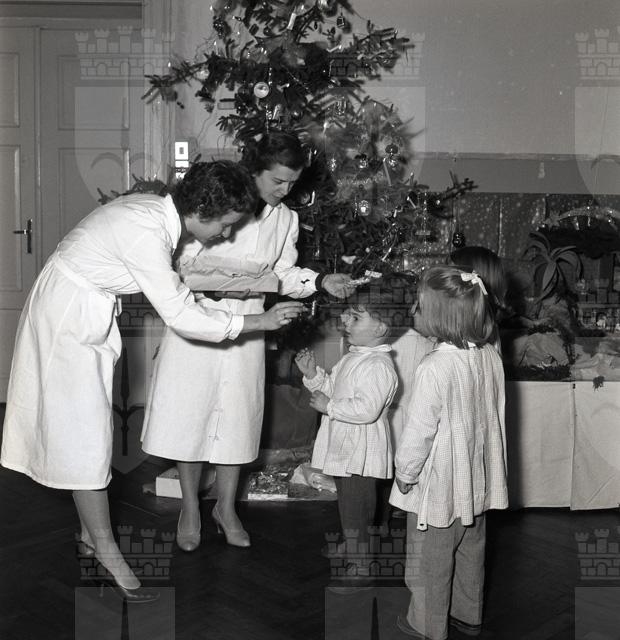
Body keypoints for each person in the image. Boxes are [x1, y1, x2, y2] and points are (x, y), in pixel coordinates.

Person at [0, 160, 304, 603]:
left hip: (80, 306)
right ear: (201, 210)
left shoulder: (158, 212)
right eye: (224, 224)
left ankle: (89, 536)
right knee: (86, 438)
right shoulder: (147, 232)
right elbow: (180, 314)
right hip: (66, 318)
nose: (225, 235)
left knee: (86, 431)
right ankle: (106, 550)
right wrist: (259, 321)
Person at [141, 131, 354, 550]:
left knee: (236, 419)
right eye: (278, 180)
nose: (285, 190)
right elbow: (180, 266)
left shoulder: (286, 219)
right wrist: (230, 284)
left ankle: (226, 507)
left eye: (292, 183)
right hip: (197, 319)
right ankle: (190, 507)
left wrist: (321, 281)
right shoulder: (216, 202)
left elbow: (282, 275)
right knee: (189, 415)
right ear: (254, 170)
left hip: (250, 325)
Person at [390, 265, 508, 640]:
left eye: (420, 306)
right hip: (476, 478)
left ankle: (426, 624)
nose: (414, 311)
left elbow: (419, 431)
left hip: (440, 485)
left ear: (439, 317)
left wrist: (405, 473)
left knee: (430, 560)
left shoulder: (434, 366)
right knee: (471, 549)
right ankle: (467, 613)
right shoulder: (490, 356)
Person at [295, 283, 399, 578]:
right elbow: (332, 390)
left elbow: (366, 410)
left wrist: (329, 407)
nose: (345, 321)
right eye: (348, 315)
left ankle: (361, 562)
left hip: (360, 452)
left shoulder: (378, 366)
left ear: (380, 328)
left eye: (355, 317)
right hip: (347, 447)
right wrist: (313, 375)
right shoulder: (355, 356)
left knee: (358, 507)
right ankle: (353, 544)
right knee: (349, 503)